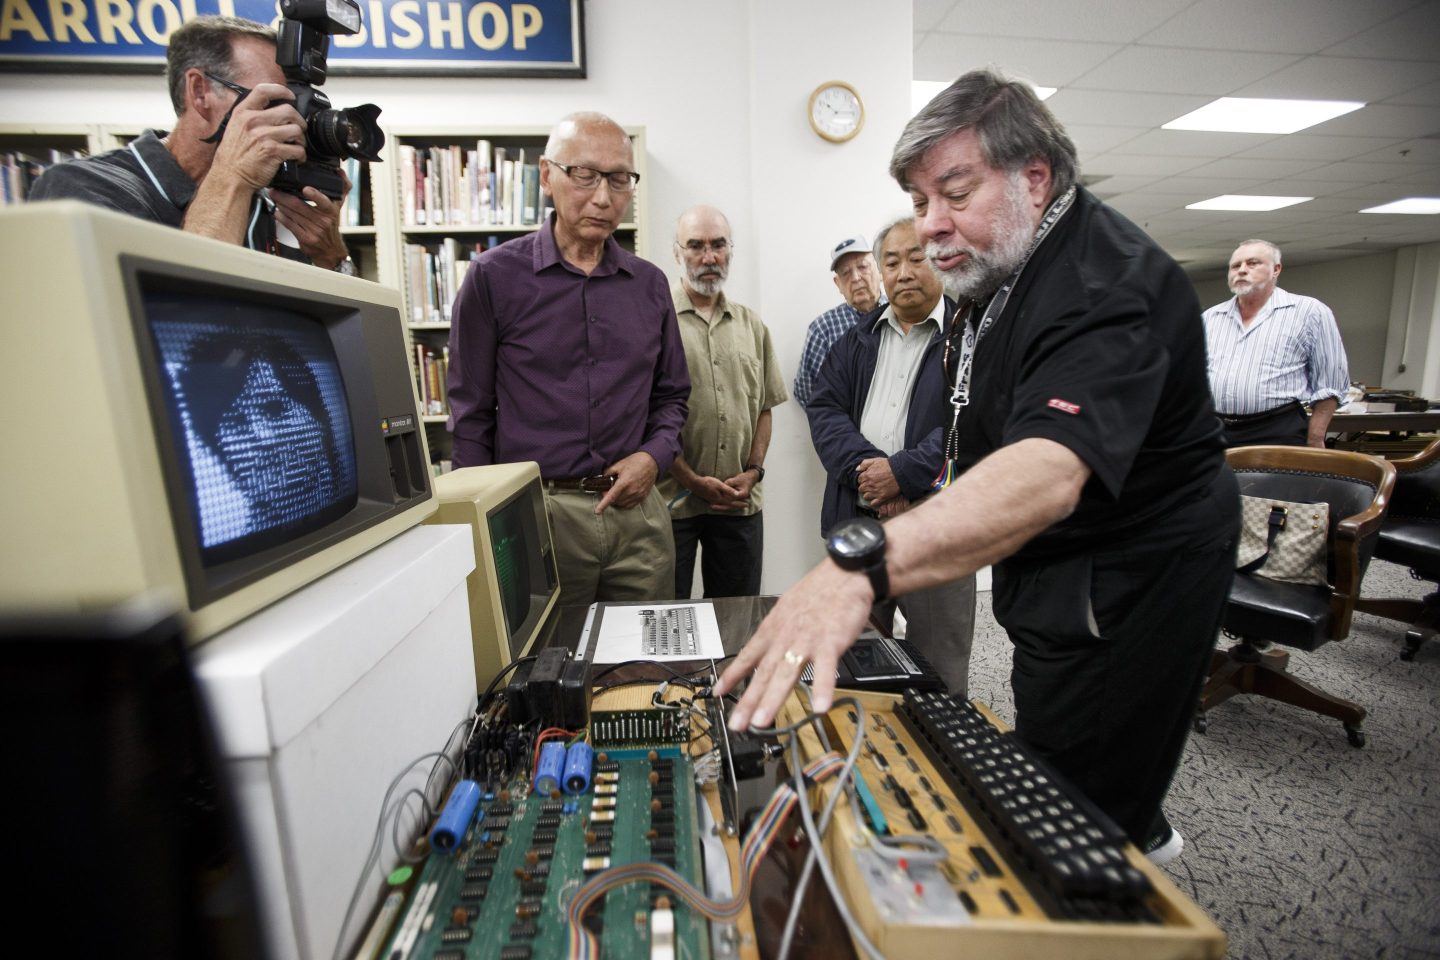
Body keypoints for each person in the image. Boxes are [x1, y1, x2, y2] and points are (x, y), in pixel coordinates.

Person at [718, 70, 1239, 866]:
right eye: (921, 203)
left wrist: (857, 572)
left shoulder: (1104, 283)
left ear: (1035, 177)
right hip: (1054, 575)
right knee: (1048, 744)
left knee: (1076, 808)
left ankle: (1116, 848)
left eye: (953, 194)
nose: (930, 227)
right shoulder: (998, 271)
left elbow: (1046, 469)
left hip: (1127, 579)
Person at [447, 112, 690, 607]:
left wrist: (653, 456)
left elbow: (672, 396)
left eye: (619, 179)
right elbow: (470, 415)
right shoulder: (493, 277)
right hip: (539, 513)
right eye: (584, 175)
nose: (603, 197)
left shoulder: (649, 285)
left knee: (648, 667)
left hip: (638, 514)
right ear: (546, 175)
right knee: (546, 668)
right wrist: (475, 531)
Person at [29, 16, 352, 271]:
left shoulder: (265, 207)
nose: (289, 121)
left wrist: (331, 258)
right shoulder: (82, 189)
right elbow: (180, 316)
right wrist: (232, 178)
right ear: (200, 92)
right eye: (270, 101)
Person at [807, 216, 976, 695]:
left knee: (939, 670)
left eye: (916, 258)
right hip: (859, 525)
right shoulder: (854, 340)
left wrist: (900, 475)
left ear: (940, 261)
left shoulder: (971, 340)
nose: (904, 272)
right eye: (892, 261)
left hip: (936, 532)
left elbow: (969, 426)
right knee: (853, 659)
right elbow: (825, 411)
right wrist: (872, 477)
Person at [658, 205, 787, 599]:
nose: (708, 257)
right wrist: (692, 480)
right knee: (667, 622)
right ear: (677, 253)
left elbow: (764, 405)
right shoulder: (655, 321)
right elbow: (644, 416)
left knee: (737, 621)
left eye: (718, 245)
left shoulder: (752, 325)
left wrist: (754, 471)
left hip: (738, 503)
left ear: (730, 250)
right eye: (695, 246)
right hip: (672, 501)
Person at [1203, 239, 1350, 448]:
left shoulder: (1308, 312)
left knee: (1276, 482)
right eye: (1236, 266)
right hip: (1216, 429)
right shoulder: (1211, 317)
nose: (1242, 271)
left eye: (1253, 263)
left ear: (1276, 269)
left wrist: (1315, 437)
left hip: (1277, 429)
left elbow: (1331, 382)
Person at [792, 235, 883, 407]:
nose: (856, 278)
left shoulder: (903, 314)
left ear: (880, 271)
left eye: (863, 267)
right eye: (845, 273)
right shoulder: (823, 330)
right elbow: (807, 391)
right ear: (838, 284)